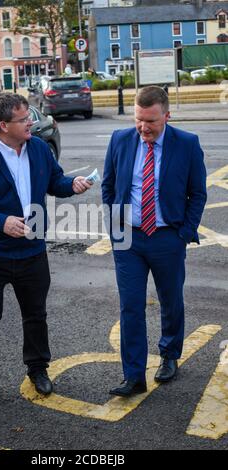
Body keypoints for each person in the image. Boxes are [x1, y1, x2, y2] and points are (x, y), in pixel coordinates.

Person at [0, 93, 92, 405]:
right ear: (3, 125)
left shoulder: (39, 149)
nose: (31, 122)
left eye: (29, 116)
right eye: (23, 119)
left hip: (32, 251)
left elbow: (54, 181)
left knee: (35, 314)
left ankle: (38, 369)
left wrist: (73, 184)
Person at [102, 86, 207, 397]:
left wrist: (183, 234)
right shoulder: (120, 139)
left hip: (167, 237)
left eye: (151, 121)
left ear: (166, 115)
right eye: (138, 120)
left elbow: (198, 193)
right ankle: (133, 375)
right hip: (129, 239)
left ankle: (169, 355)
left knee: (170, 300)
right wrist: (114, 227)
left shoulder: (187, 144)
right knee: (130, 306)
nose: (143, 128)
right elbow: (108, 186)